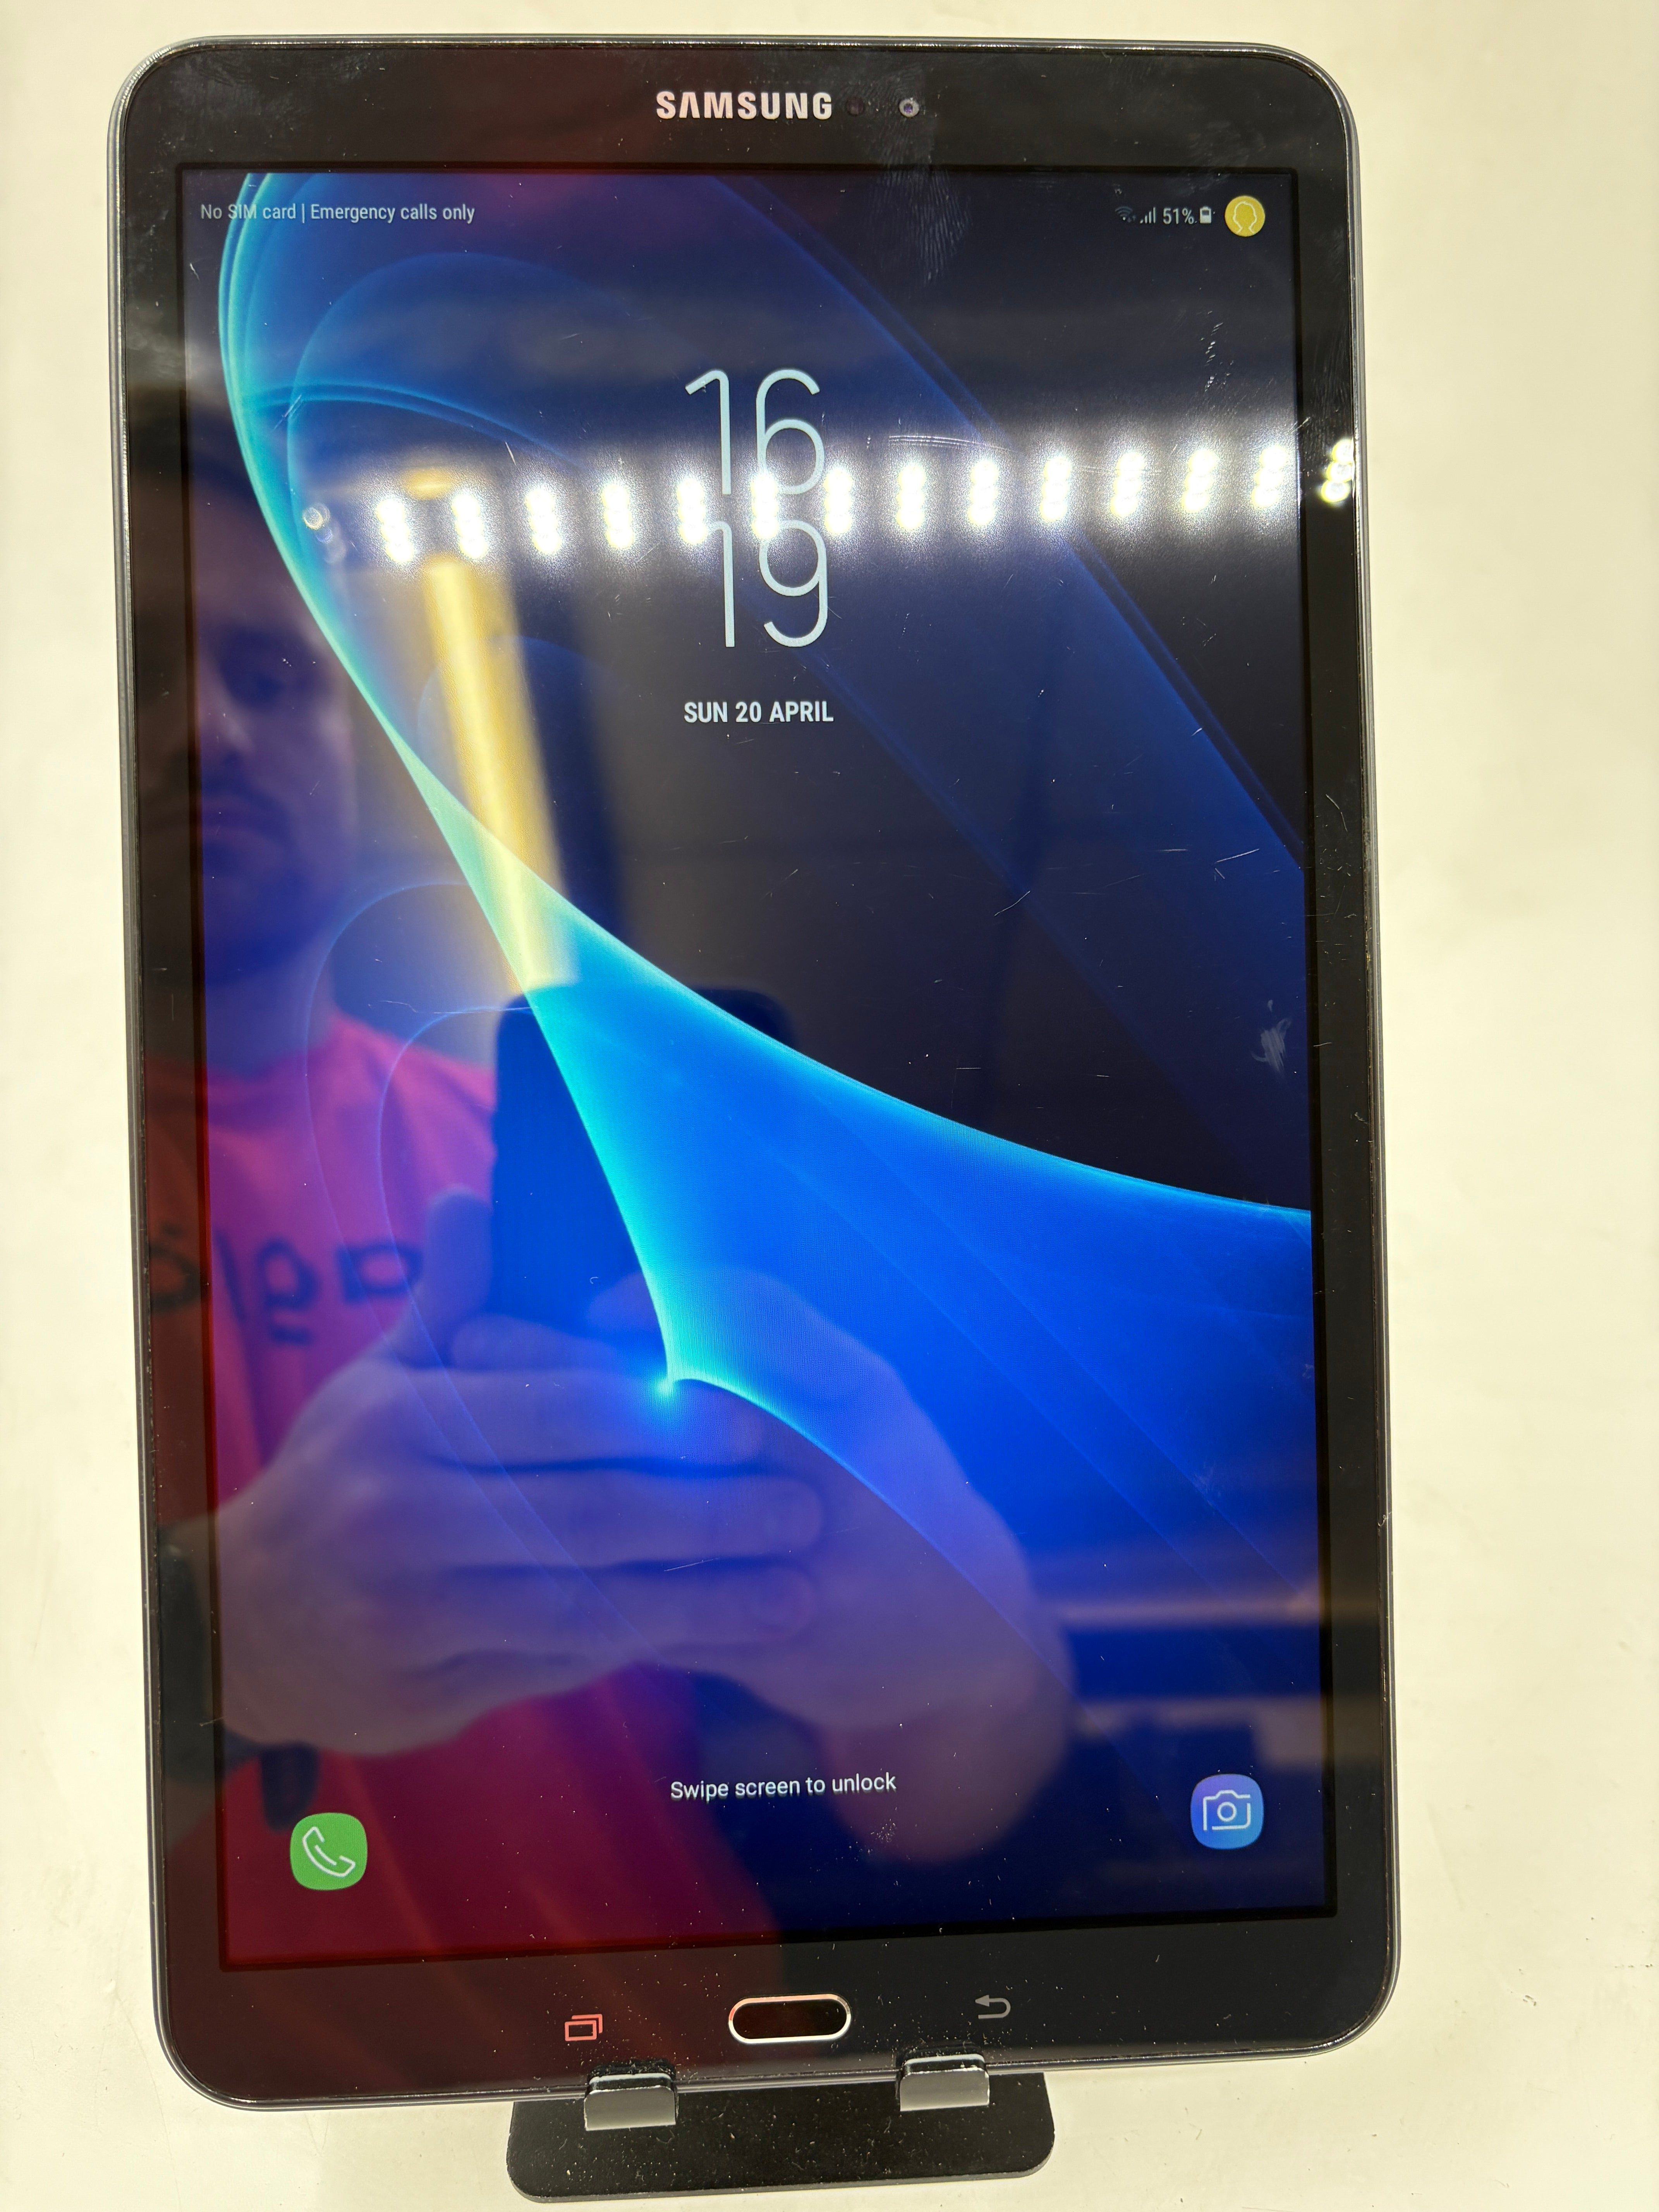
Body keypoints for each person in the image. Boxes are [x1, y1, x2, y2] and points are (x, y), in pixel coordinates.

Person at [136, 409, 1073, 1976]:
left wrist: (966, 1665)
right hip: (235, 2102)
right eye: (140, 674)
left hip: (710, 2054)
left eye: (273, 673)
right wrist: (208, 1644)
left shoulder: (597, 1166)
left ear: (349, 734)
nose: (213, 733)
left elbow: (948, 1806)